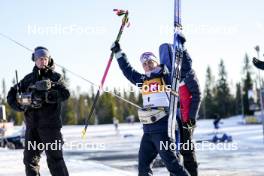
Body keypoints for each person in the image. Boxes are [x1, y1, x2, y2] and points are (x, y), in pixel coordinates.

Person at [111, 42, 190, 176]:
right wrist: (118, 53)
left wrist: (182, 48)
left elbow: (185, 69)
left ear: (156, 62)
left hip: (163, 130)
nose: (147, 66)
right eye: (144, 64)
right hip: (148, 131)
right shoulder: (143, 80)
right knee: (143, 167)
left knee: (173, 166)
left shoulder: (166, 77)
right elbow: (127, 70)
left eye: (150, 62)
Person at [7, 46, 70, 176]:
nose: (42, 61)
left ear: (49, 60)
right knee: (29, 161)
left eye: (45, 59)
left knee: (55, 161)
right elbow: (11, 95)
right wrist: (21, 105)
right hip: (32, 128)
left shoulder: (56, 78)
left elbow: (65, 93)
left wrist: (48, 95)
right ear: (34, 60)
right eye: (40, 59)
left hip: (50, 128)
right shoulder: (28, 79)